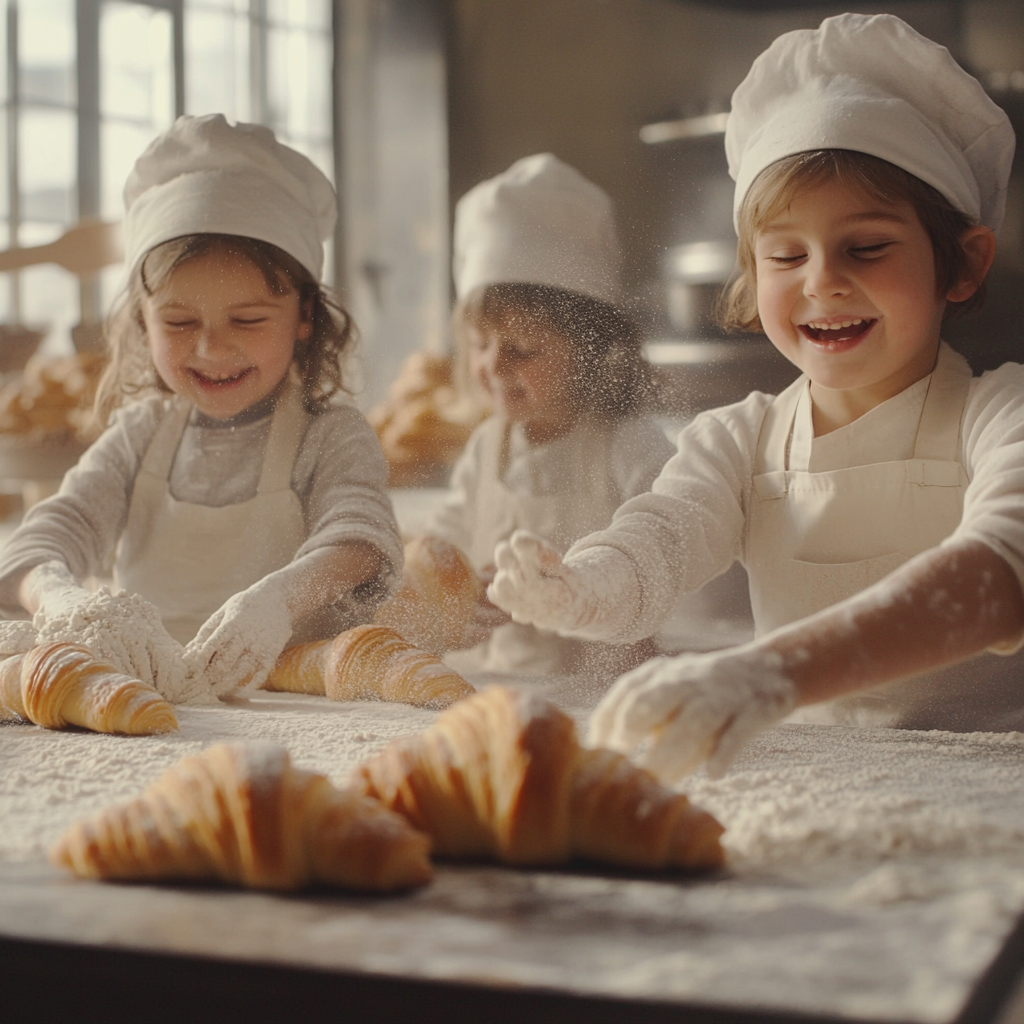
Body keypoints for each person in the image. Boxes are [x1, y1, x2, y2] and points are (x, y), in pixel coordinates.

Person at [488, 13, 1024, 776]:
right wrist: (583, 586)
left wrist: (767, 672)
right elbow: (661, 536)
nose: (822, 281)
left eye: (866, 247)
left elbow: (1000, 572)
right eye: (785, 254)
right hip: (818, 779)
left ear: (963, 265)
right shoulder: (738, 440)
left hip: (994, 788)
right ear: (751, 279)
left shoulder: (1001, 416)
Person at [0, 114, 402, 702]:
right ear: (143, 321)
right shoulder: (138, 435)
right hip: (144, 706)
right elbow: (48, 537)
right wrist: (59, 597)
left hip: (294, 710)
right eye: (180, 322)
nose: (212, 348)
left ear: (305, 317)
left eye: (248, 319)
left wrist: (279, 601)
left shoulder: (330, 436)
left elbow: (363, 536)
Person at [427, 153, 674, 676]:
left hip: (603, 687)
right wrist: (456, 584)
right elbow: (448, 537)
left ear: (593, 349)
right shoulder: (486, 447)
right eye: (479, 344)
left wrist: (579, 587)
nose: (493, 366)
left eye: (522, 348)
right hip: (493, 680)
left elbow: (672, 558)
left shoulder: (629, 448)